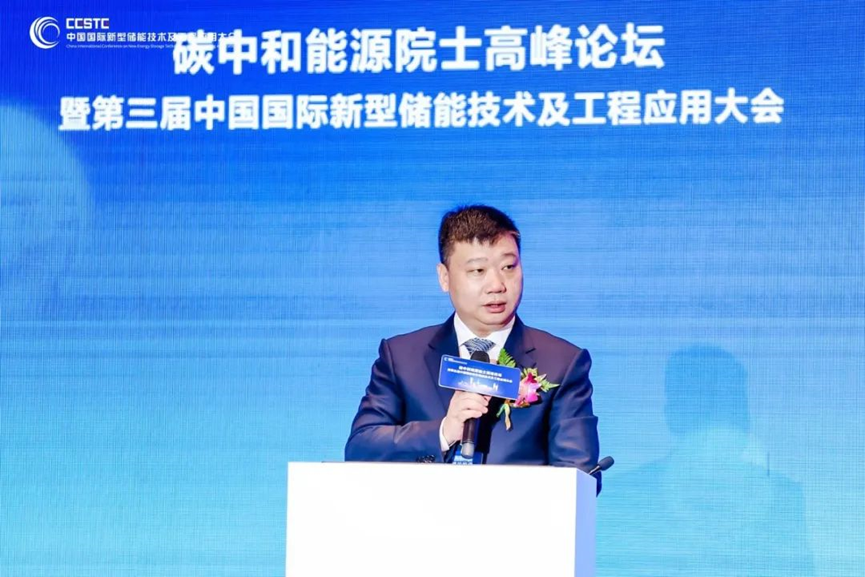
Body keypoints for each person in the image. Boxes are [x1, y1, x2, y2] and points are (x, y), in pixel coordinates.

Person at [344, 205, 601, 489]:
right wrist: (443, 432)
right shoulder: (402, 357)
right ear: (444, 277)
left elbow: (579, 476)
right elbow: (361, 448)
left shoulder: (562, 363)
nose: (497, 285)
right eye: (478, 270)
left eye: (508, 267)